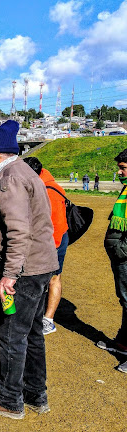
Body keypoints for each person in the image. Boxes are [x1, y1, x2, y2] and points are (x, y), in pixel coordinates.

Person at [0, 120, 58, 420]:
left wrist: (9, 275)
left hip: (24, 270)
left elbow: (18, 231)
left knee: (11, 334)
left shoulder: (9, 179)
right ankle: (35, 393)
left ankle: (9, 399)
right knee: (31, 333)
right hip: (38, 266)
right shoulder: (24, 172)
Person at [24, 157, 69, 336]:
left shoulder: (49, 190)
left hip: (53, 242)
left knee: (53, 278)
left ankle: (48, 320)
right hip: (46, 240)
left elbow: (56, 225)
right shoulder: (39, 184)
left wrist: (50, 250)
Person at [100, 148, 127, 374]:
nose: (119, 172)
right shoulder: (126, 190)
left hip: (125, 257)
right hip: (121, 259)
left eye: (123, 168)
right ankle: (124, 342)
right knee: (124, 299)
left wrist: (120, 249)